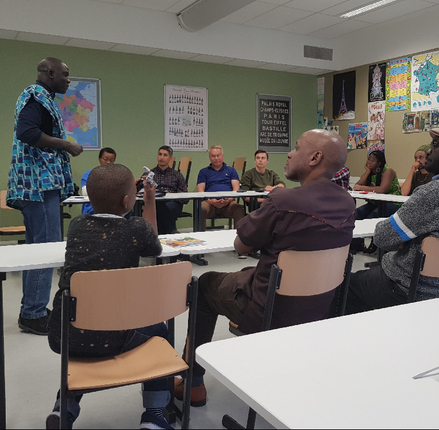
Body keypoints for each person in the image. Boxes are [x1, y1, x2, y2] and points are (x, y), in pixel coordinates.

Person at [187, 129, 356, 407]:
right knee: (248, 274)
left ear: (314, 157)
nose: (289, 153)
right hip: (319, 309)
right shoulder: (347, 203)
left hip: (269, 309)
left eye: (296, 147)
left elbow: (241, 246)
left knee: (204, 285)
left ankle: (193, 383)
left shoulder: (283, 201)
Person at [46, 164, 171, 430]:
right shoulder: (137, 229)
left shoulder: (77, 226)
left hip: (65, 333)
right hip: (116, 335)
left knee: (84, 334)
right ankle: (155, 414)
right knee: (161, 330)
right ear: (129, 200)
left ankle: (64, 407)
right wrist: (149, 199)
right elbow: (154, 247)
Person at [345, 128, 439, 313]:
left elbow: (382, 237)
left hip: (409, 287)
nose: (429, 151)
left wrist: (406, 240)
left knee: (344, 287)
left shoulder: (434, 191)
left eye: (435, 145)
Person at [6, 57, 83, 335]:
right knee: (45, 248)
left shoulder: (43, 98)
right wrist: (66, 145)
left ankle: (33, 308)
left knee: (36, 249)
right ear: (49, 73)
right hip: (38, 186)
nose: (68, 80)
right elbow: (26, 132)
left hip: (38, 186)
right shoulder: (35, 96)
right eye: (65, 74)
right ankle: (33, 314)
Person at [138, 145, 188, 234]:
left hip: (172, 204)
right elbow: (139, 192)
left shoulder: (177, 175)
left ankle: (158, 234)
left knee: (160, 207)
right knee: (157, 204)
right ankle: (171, 230)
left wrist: (170, 195)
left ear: (170, 158)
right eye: (160, 154)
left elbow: (185, 197)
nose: (161, 157)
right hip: (153, 202)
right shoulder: (149, 174)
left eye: (165, 155)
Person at [196, 145, 245, 230]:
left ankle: (239, 238)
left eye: (218, 155)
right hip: (209, 203)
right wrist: (211, 201)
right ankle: (200, 236)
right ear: (209, 157)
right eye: (213, 156)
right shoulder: (203, 171)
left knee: (239, 209)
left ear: (222, 156)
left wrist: (228, 200)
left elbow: (236, 189)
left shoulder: (231, 170)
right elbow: (200, 191)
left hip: (228, 203)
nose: (216, 158)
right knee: (200, 208)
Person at [353, 150, 402, 218]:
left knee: (372, 216)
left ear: (379, 163)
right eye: (368, 159)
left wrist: (361, 188)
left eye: (372, 161)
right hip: (376, 203)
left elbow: (382, 189)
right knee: (356, 214)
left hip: (392, 203)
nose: (369, 162)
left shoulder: (388, 171)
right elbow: (356, 186)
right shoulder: (370, 173)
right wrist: (367, 171)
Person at [79, 147, 116, 215]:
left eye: (111, 160)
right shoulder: (89, 174)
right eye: (105, 159)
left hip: (113, 210)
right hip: (92, 210)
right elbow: (86, 192)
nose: (108, 162)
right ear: (100, 160)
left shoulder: (117, 176)